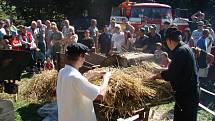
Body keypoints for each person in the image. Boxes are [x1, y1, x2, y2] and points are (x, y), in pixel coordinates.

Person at [151, 27, 199, 121]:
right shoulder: (186, 47)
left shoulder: (180, 51)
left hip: (186, 94)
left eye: (166, 42)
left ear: (169, 41)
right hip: (190, 92)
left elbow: (172, 74)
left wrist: (157, 76)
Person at [57, 43, 111, 121]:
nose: (84, 59)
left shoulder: (62, 72)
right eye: (84, 56)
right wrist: (106, 78)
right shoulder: (75, 77)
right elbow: (100, 96)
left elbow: (75, 86)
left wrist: (88, 76)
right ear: (81, 56)